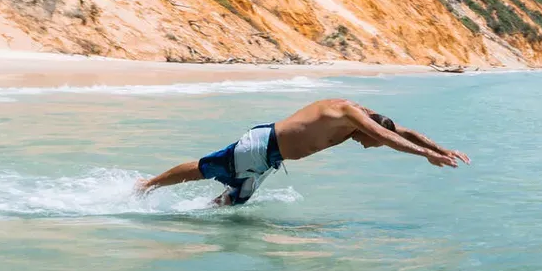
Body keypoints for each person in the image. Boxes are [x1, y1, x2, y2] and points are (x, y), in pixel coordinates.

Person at [135, 98, 470, 206]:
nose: (370, 145)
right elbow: (387, 135)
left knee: (230, 205)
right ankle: (147, 185)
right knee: (206, 168)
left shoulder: (363, 117)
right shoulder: (349, 113)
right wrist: (425, 156)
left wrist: (441, 148)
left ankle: (186, 224)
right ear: (369, 130)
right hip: (262, 145)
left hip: (271, 159)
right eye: (372, 142)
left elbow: (402, 131)